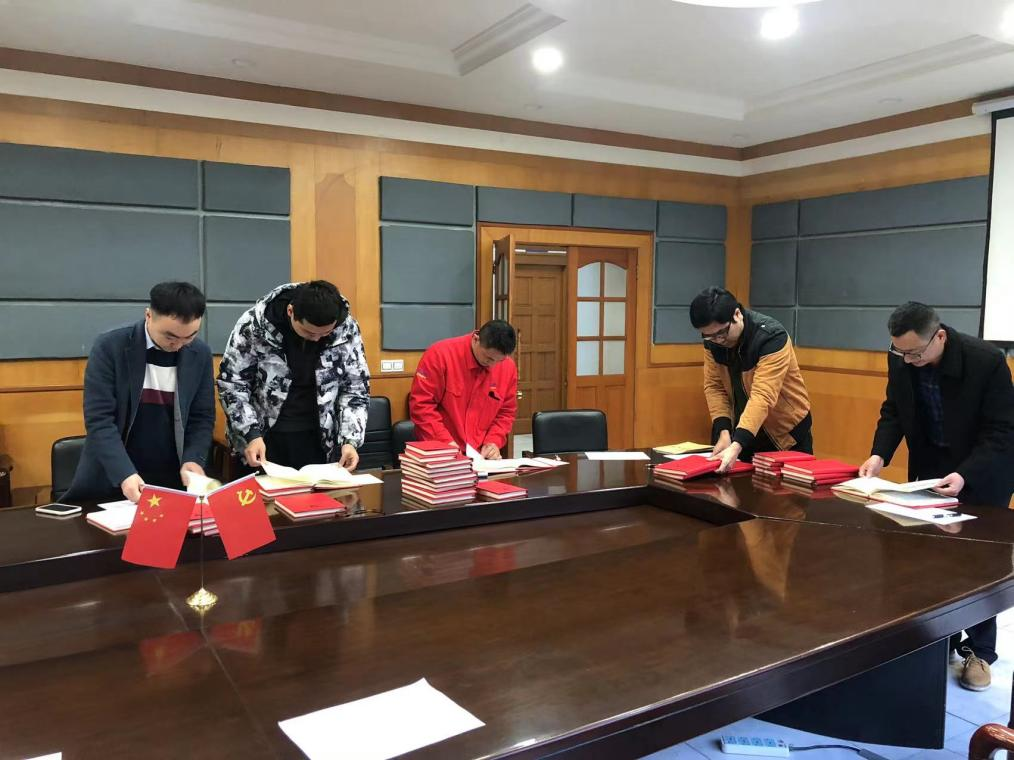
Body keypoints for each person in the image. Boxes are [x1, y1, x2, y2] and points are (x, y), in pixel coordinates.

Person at [859, 301, 1014, 691]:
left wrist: (965, 474)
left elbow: (1002, 430)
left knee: (979, 563)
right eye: (900, 352)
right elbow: (894, 411)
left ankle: (979, 652)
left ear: (939, 336)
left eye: (915, 353)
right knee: (928, 558)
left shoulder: (986, 361)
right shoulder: (902, 357)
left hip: (981, 470)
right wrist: (879, 455)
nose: (907, 360)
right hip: (930, 468)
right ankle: (939, 639)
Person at [65, 282, 215, 503]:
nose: (179, 345)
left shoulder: (199, 354)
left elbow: (202, 417)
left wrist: (194, 458)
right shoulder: (111, 346)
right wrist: (124, 473)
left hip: (172, 481)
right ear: (148, 316)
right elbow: (99, 420)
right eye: (170, 337)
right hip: (114, 476)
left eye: (189, 336)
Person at [217, 281, 370, 471]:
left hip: (319, 440)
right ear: (291, 311)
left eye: (325, 333)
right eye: (309, 332)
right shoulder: (254, 326)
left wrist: (350, 441)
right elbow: (232, 384)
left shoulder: (346, 329)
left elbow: (356, 388)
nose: (316, 338)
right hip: (262, 439)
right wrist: (250, 433)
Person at [689, 287, 813, 473]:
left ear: (737, 314)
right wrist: (724, 432)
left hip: (785, 435)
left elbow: (762, 396)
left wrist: (737, 444)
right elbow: (715, 386)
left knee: (789, 490)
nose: (717, 340)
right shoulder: (712, 342)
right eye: (708, 336)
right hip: (743, 432)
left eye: (722, 332)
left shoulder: (771, 337)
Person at [409, 320, 518, 459]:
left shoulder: (508, 367)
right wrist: (444, 442)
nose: (493, 365)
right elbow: (421, 405)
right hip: (439, 451)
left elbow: (506, 413)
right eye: (489, 358)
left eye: (500, 360)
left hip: (479, 456)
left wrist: (493, 441)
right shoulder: (440, 355)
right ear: (476, 339)